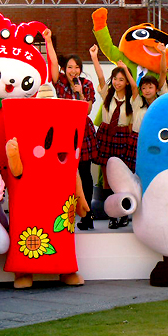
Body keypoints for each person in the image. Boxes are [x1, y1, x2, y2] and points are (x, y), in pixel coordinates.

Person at [44, 29, 99, 231]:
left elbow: (88, 110)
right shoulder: (58, 83)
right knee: (63, 174)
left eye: (77, 67)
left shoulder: (86, 84)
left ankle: (87, 215)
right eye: (69, 67)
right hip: (62, 131)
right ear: (64, 68)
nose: (73, 71)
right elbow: (52, 62)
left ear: (81, 69)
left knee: (85, 174)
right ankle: (64, 217)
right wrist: (48, 40)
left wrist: (80, 94)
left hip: (82, 132)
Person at [89, 44, 137, 229]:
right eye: (115, 79)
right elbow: (101, 77)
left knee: (122, 177)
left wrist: (125, 69)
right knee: (107, 179)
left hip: (123, 137)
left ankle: (123, 213)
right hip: (106, 135)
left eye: (121, 79)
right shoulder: (108, 94)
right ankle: (113, 215)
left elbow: (135, 87)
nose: (117, 82)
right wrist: (94, 57)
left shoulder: (132, 98)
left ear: (126, 82)